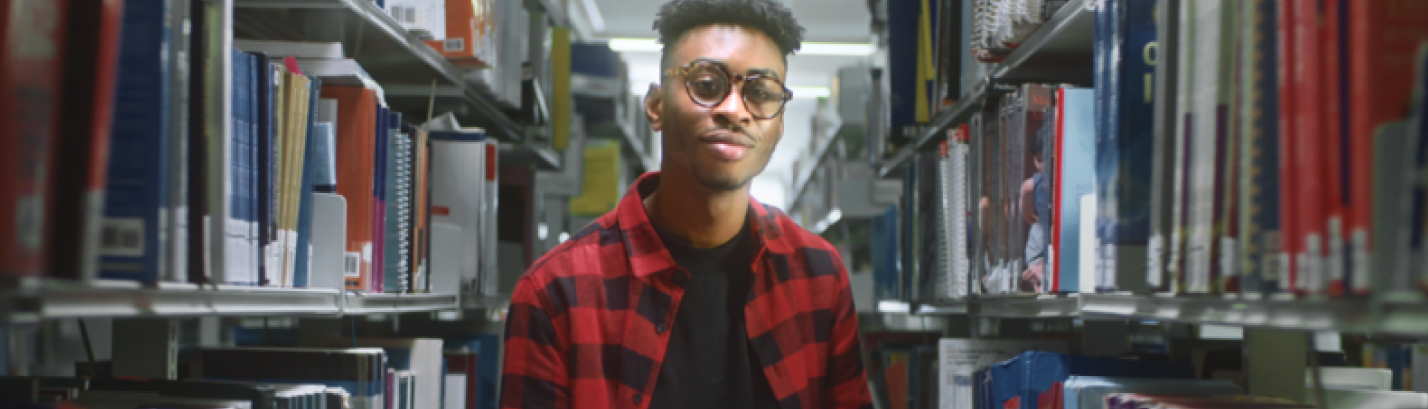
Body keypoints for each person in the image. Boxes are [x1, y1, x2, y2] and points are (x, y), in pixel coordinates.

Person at [498, 1, 874, 408]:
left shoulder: (819, 276)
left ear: (779, 123)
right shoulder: (555, 294)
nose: (734, 110)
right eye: (707, 85)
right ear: (656, 106)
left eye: (761, 93)